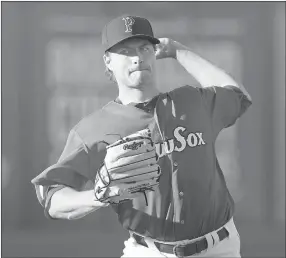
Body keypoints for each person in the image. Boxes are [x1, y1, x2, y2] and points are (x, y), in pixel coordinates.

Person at [31, 14, 252, 257]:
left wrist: (178, 51)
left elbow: (237, 96)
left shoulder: (191, 102)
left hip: (219, 248)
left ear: (155, 52)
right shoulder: (93, 129)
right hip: (150, 251)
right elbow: (52, 197)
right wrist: (96, 197)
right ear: (108, 60)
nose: (137, 57)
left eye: (144, 48)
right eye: (125, 51)